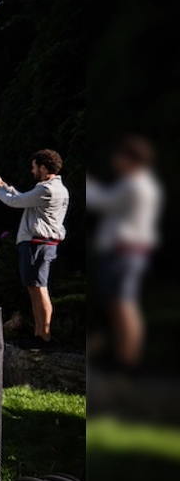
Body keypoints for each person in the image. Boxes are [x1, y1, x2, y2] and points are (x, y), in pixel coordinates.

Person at [87, 135, 161, 369]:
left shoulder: (133, 184)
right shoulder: (143, 183)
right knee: (120, 304)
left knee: (123, 304)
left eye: (119, 157)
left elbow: (102, 201)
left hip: (124, 252)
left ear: (131, 159)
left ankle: (127, 360)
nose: (115, 161)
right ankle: (123, 356)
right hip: (129, 251)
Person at [0, 149, 70, 348]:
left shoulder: (47, 190)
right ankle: (39, 334)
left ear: (43, 167)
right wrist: (4, 185)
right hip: (41, 244)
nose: (31, 171)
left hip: (38, 244)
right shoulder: (52, 188)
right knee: (35, 289)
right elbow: (25, 198)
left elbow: (15, 202)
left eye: (34, 167)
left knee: (39, 289)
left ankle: (44, 336)